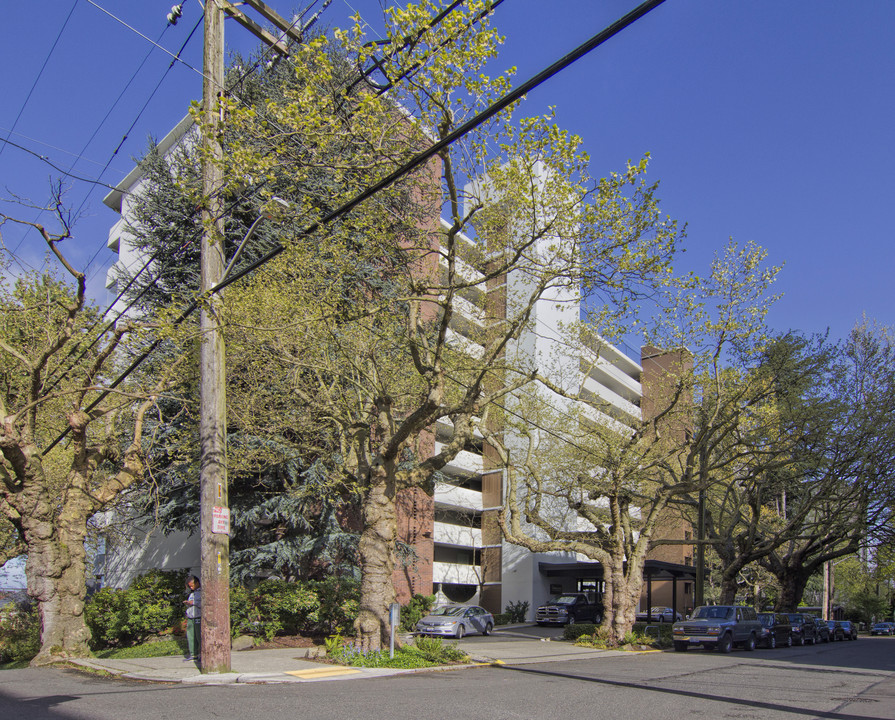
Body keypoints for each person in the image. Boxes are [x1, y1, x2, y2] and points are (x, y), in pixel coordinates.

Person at [184, 575, 201, 662]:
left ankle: (201, 654)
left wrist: (193, 603)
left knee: (199, 636)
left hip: (198, 617)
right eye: (189, 586)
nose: (191, 587)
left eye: (192, 585)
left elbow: (204, 604)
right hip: (191, 617)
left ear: (197, 583)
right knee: (191, 636)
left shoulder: (202, 592)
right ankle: (193, 654)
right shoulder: (191, 594)